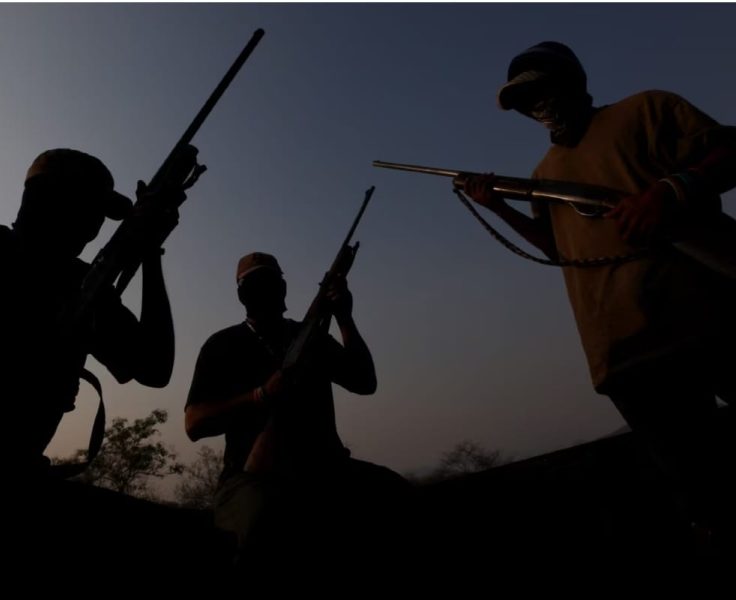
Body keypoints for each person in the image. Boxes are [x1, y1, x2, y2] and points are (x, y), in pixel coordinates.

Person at [462, 41, 736, 551]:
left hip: (712, 315)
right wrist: (496, 206)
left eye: (541, 89)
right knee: (704, 496)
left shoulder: (647, 108)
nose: (536, 105)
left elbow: (728, 150)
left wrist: (669, 192)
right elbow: (556, 246)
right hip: (625, 350)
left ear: (571, 80)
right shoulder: (545, 173)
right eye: (524, 100)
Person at [0, 148, 228, 591]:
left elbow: (153, 366)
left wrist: (150, 254)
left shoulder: (85, 287)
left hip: (14, 483)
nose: (95, 228)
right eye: (90, 210)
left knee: (203, 547)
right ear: (47, 201)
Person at [185, 252, 410, 580]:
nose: (265, 289)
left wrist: (344, 317)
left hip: (328, 470)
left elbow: (364, 381)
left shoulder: (310, 337)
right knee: (264, 525)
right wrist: (261, 395)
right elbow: (194, 423)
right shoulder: (221, 345)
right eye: (255, 282)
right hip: (250, 478)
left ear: (284, 287)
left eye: (271, 281)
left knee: (396, 495)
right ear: (240, 293)